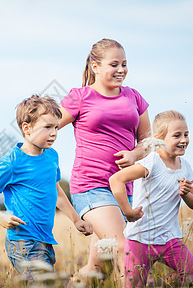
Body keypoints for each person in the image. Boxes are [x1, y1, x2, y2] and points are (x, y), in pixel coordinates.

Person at [59, 38, 151, 278]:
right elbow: (47, 127)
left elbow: (147, 140)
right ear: (95, 67)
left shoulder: (134, 97)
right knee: (124, 249)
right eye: (114, 64)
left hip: (123, 189)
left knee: (98, 269)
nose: (121, 70)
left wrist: (134, 154)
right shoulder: (80, 97)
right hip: (91, 186)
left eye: (124, 64)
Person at [0, 95, 93, 276]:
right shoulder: (12, 162)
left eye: (56, 127)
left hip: (45, 239)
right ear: (27, 129)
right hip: (23, 241)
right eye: (47, 127)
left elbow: (57, 191)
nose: (54, 133)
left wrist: (76, 220)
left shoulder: (52, 156)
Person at [109, 110, 193, 287]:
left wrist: (186, 193)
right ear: (159, 138)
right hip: (139, 239)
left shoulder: (186, 167)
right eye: (177, 135)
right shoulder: (152, 162)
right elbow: (116, 179)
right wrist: (128, 212)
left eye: (186, 134)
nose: (184, 140)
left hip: (169, 239)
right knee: (134, 285)